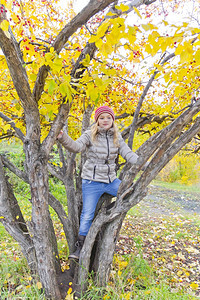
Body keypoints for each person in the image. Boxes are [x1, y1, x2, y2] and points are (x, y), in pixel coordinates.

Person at [57, 106, 146, 260]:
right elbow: (76, 147)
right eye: (102, 118)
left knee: (130, 193)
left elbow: (128, 154)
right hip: (92, 182)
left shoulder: (116, 137)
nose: (105, 120)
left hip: (110, 181)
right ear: (97, 120)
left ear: (113, 120)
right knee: (87, 215)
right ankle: (79, 248)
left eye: (108, 118)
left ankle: (108, 219)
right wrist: (62, 137)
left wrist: (143, 164)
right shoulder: (90, 135)